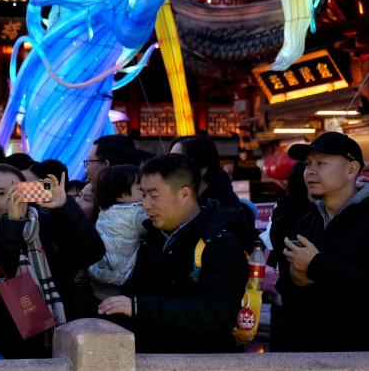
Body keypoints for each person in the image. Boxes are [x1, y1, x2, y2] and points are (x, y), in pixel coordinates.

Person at [99, 154, 248, 353]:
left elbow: (214, 313)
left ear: (184, 194)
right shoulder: (151, 235)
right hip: (149, 361)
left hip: (202, 364)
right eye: (143, 195)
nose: (145, 205)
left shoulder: (220, 242)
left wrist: (138, 307)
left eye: (154, 196)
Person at [0, 164, 104, 357]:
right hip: (13, 344)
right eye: (0, 193)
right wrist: (12, 224)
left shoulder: (48, 222)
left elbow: (92, 252)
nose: (12, 197)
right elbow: (2, 278)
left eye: (17, 189)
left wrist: (66, 205)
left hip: (66, 331)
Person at [276, 132, 369, 351]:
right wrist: (293, 277)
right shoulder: (305, 222)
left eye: (321, 163)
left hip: (357, 356)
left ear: (351, 170)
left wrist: (316, 266)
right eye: (308, 164)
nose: (310, 171)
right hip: (305, 355)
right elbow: (285, 290)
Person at [170, 135, 255, 251]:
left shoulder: (228, 216)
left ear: (202, 169)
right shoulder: (174, 206)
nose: (168, 170)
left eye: (176, 163)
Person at [88, 164, 148, 299]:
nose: (145, 192)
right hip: (119, 285)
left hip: (96, 278)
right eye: (140, 189)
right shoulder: (137, 214)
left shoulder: (104, 211)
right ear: (121, 196)